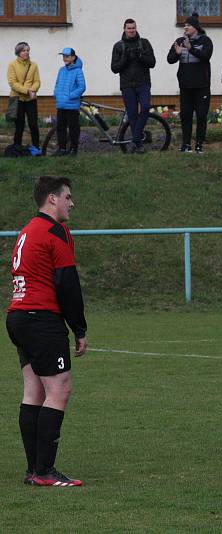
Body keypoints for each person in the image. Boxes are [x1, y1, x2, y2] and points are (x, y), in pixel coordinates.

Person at [6, 176, 88, 487]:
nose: (71, 203)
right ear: (52, 199)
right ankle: (44, 471)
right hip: (41, 319)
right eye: (68, 196)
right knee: (59, 390)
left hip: (19, 316)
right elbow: (66, 283)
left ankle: (34, 470)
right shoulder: (56, 231)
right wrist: (79, 328)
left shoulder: (27, 229)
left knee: (34, 392)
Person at [167, 12, 213, 154]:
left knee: (201, 116)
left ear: (195, 28)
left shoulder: (205, 41)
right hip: (185, 86)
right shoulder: (180, 40)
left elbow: (206, 57)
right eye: (185, 25)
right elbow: (170, 59)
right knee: (186, 116)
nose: (185, 28)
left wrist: (191, 48)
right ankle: (185, 145)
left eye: (188, 25)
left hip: (201, 87)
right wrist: (178, 53)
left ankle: (199, 145)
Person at [110, 19, 156, 154]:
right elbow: (114, 68)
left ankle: (135, 139)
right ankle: (139, 144)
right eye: (129, 28)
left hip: (143, 84)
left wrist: (140, 55)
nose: (131, 30)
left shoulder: (144, 43)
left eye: (133, 28)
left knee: (146, 107)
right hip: (127, 85)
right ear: (124, 29)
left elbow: (152, 63)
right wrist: (125, 58)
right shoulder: (118, 46)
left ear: (136, 28)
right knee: (132, 114)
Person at [7, 42, 41, 151]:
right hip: (18, 99)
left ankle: (36, 147)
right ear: (18, 52)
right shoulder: (12, 65)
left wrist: (33, 89)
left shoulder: (34, 65)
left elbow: (37, 81)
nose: (26, 52)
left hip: (31, 99)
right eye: (23, 50)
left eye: (27, 50)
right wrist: (27, 90)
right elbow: (12, 83)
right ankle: (17, 147)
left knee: (33, 124)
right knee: (19, 125)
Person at [53, 48, 85, 157]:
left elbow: (82, 87)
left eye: (67, 56)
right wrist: (56, 94)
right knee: (60, 128)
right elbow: (57, 84)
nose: (65, 58)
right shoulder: (61, 70)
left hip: (72, 106)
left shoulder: (78, 71)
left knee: (73, 128)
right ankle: (62, 149)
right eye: (64, 56)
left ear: (73, 57)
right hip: (61, 105)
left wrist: (70, 96)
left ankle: (73, 150)